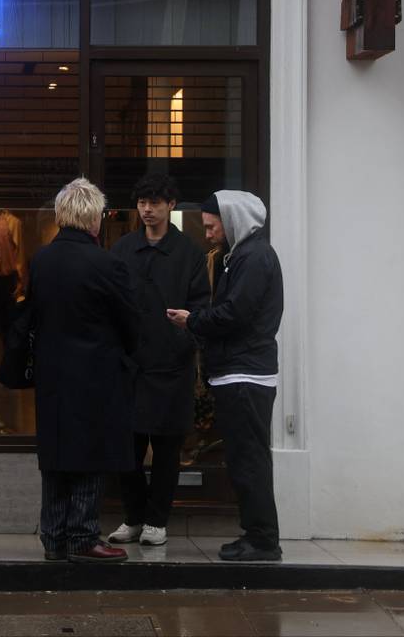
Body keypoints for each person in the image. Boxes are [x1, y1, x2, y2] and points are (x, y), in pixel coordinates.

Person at [166, 190, 284, 562]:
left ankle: (263, 540)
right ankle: (256, 535)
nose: (209, 233)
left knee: (248, 459)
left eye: (212, 225)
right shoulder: (244, 255)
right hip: (241, 371)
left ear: (231, 221)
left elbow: (236, 314)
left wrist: (193, 319)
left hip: (244, 374)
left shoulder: (252, 257)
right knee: (243, 457)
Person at [29, 178, 139, 563]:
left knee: (57, 454)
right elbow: (130, 322)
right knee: (91, 455)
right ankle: (83, 536)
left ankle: (54, 538)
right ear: (94, 218)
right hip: (95, 374)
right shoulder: (108, 263)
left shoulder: (41, 260)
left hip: (52, 374)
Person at [108, 174, 210, 547]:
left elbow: (201, 308)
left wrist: (184, 338)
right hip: (130, 364)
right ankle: (133, 517)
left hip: (171, 364)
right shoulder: (122, 249)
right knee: (128, 450)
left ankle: (157, 520)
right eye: (142, 203)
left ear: (171, 205)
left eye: (155, 202)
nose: (147, 210)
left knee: (167, 448)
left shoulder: (189, 253)